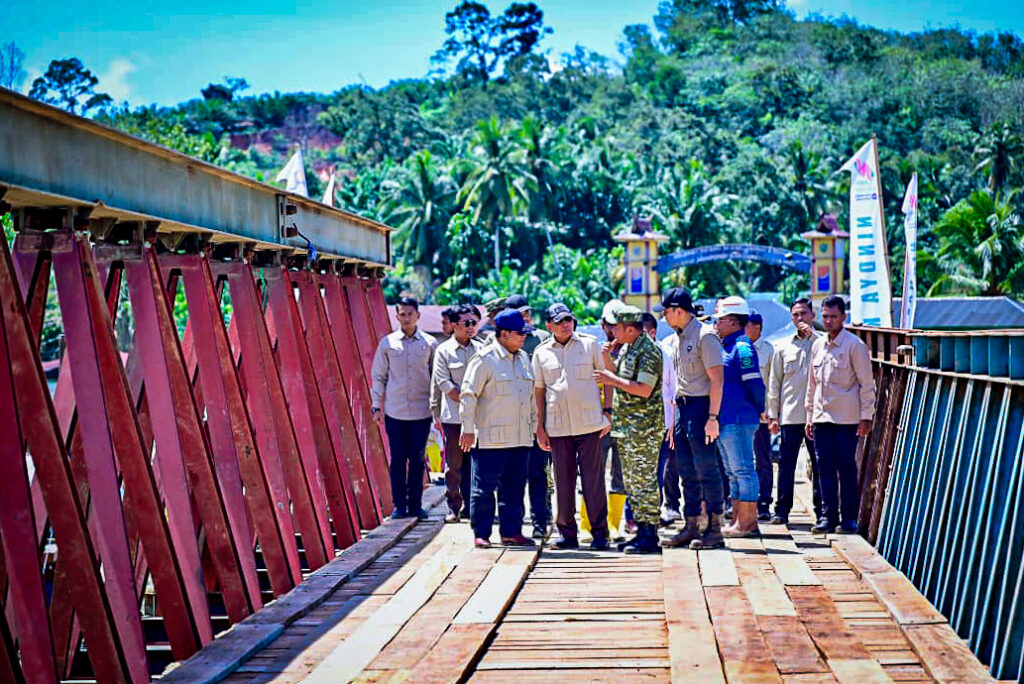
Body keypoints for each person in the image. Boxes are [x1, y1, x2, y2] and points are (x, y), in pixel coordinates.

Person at [533, 303, 613, 551]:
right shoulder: (541, 353)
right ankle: (567, 534)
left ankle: (600, 534)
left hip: (589, 425)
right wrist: (540, 427)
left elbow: (607, 379)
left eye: (568, 320)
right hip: (557, 427)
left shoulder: (589, 345)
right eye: (559, 322)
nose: (565, 325)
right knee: (563, 483)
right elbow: (539, 391)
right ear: (549, 325)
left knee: (594, 482)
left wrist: (608, 411)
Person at [460, 309, 538, 548]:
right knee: (484, 489)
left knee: (515, 489)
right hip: (490, 439)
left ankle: (511, 532)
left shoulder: (523, 359)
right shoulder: (485, 359)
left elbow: (530, 399)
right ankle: (481, 533)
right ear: (504, 334)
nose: (524, 337)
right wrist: (468, 429)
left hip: (520, 437)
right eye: (520, 333)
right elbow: (468, 395)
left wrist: (535, 429)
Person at [657, 287, 726, 550]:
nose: (664, 317)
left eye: (666, 311)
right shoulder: (676, 338)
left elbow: (717, 379)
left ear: (677, 311)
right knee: (686, 470)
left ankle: (714, 529)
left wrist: (713, 417)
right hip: (683, 408)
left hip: (701, 408)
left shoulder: (705, 336)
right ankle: (692, 525)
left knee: (707, 469)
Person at [594, 305, 664, 554]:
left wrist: (610, 379)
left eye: (617, 328)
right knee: (633, 482)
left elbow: (643, 389)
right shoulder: (628, 348)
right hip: (628, 427)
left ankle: (650, 534)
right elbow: (621, 377)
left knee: (644, 481)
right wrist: (607, 360)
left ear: (631, 330)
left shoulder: (649, 352)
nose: (613, 331)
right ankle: (641, 531)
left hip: (644, 429)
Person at [805, 295, 876, 534]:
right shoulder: (817, 346)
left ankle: (849, 520)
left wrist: (866, 417)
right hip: (822, 418)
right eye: (825, 316)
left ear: (843, 317)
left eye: (833, 317)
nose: (829, 321)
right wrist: (809, 416)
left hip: (847, 419)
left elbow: (867, 384)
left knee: (846, 469)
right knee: (823, 468)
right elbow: (812, 385)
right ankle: (828, 518)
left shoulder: (855, 346)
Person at [371, 296, 438, 519]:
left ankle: (416, 506)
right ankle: (399, 506)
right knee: (398, 460)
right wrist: (376, 406)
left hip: (422, 412)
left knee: (417, 459)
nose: (406, 318)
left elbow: (436, 377)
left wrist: (437, 409)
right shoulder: (387, 344)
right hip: (395, 412)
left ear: (418, 315)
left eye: (410, 314)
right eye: (402, 314)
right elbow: (378, 377)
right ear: (397, 316)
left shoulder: (430, 343)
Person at [766, 298, 823, 525]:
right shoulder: (782, 348)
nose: (800, 318)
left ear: (812, 315)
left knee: (819, 464)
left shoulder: (823, 343)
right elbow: (774, 383)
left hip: (817, 416)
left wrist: (813, 336)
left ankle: (822, 512)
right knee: (786, 464)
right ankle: (782, 511)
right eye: (796, 314)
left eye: (804, 313)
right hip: (790, 415)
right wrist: (773, 415)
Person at [713, 297, 766, 538]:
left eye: (720, 320)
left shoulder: (743, 347)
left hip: (739, 417)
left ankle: (748, 522)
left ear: (734, 322)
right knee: (733, 472)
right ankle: (737, 520)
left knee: (743, 470)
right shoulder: (726, 346)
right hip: (726, 418)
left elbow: (755, 383)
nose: (716, 324)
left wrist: (760, 408)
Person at [504, 294, 554, 540]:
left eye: (528, 313)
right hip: (509, 418)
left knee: (539, 472)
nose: (527, 317)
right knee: (511, 475)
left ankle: (540, 521)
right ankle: (512, 525)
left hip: (537, 416)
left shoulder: (542, 340)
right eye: (521, 314)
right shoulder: (499, 343)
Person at [431, 304, 485, 523]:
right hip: (454, 418)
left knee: (478, 463)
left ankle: (474, 507)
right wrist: (467, 400)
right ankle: (454, 507)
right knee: (454, 465)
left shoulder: (482, 349)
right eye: (466, 323)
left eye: (474, 323)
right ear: (454, 325)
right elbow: (444, 383)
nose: (471, 327)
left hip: (480, 417)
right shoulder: (443, 351)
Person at [641, 313, 680, 524]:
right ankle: (637, 518)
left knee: (657, 469)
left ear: (653, 332)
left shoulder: (667, 353)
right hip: (636, 424)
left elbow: (674, 390)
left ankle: (652, 515)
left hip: (661, 422)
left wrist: (672, 425)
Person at [598, 299, 627, 523]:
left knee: (621, 475)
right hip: (598, 420)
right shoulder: (594, 352)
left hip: (625, 421)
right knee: (593, 472)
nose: (615, 330)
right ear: (603, 326)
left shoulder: (632, 352)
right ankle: (590, 524)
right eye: (611, 325)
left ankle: (615, 523)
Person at [745, 310, 775, 521]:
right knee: (740, 461)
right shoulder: (739, 348)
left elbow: (773, 383)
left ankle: (764, 502)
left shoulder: (769, 350)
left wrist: (771, 412)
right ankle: (740, 501)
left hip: (761, 415)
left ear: (757, 327)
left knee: (763, 460)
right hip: (740, 415)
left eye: (747, 325)